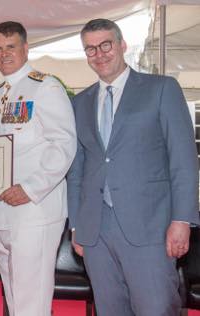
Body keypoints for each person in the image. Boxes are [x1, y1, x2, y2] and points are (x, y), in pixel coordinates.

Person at [67, 18, 199, 316]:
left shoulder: (162, 89)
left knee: (156, 308)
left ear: (122, 45)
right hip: (95, 231)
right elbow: (77, 169)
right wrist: (76, 224)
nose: (99, 54)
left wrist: (182, 220)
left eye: (105, 45)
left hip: (151, 228)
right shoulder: (79, 103)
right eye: (90, 49)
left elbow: (183, 160)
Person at [0, 21, 77, 316]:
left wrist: (30, 188)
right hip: (2, 211)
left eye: (10, 47)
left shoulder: (45, 87)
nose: (4, 54)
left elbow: (63, 144)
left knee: (31, 301)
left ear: (26, 48)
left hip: (34, 209)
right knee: (15, 298)